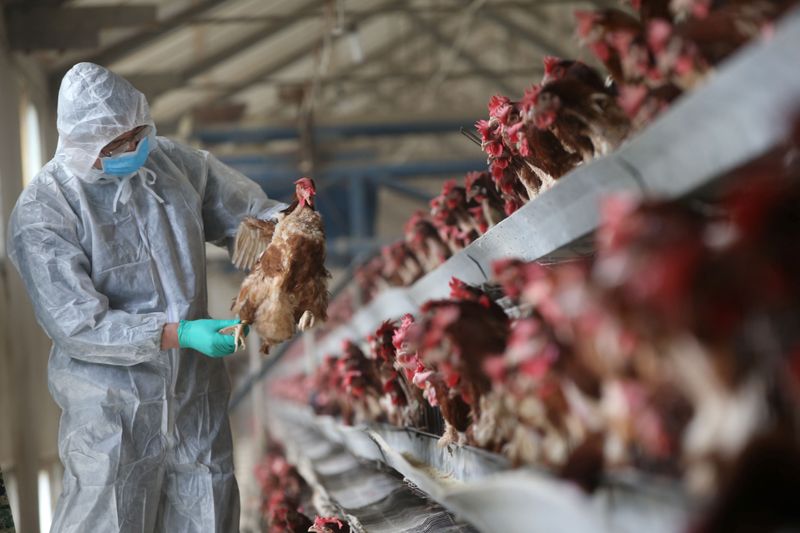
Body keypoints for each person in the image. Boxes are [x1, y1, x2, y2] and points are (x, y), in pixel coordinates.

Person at [8, 62, 286, 532]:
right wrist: (179, 333)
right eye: (115, 145)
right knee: (107, 516)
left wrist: (289, 229)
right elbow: (77, 324)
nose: (132, 149)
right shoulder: (44, 211)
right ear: (80, 145)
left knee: (207, 510)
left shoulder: (172, 163)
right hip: (111, 406)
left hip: (194, 395)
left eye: (137, 133)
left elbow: (248, 217)